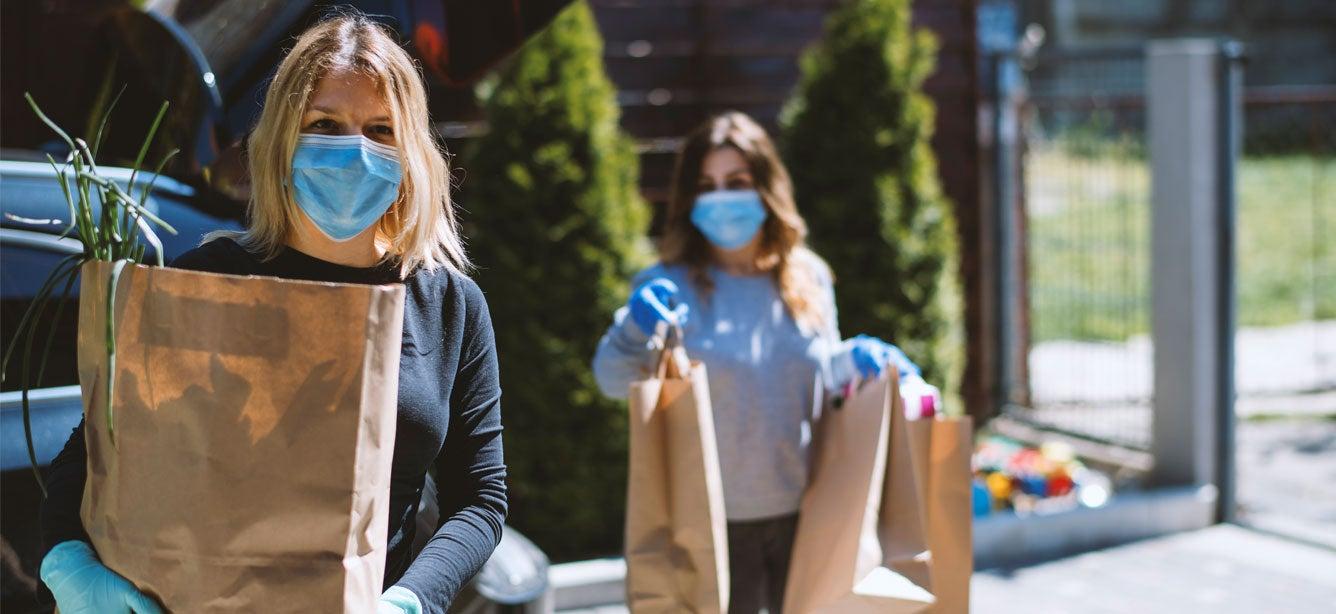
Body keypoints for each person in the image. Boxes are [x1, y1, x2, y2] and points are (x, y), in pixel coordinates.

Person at [38, 14, 505, 614]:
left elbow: (481, 499)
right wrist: (67, 564)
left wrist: (412, 600)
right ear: (284, 138)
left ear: (411, 149)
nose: (355, 150)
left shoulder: (449, 306)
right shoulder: (206, 283)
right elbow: (96, 449)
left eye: (380, 129)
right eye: (326, 125)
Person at [592, 111, 916, 614]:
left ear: (766, 189)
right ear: (690, 198)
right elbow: (613, 381)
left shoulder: (808, 277)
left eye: (737, 182)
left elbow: (820, 377)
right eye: (708, 185)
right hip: (709, 526)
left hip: (810, 516)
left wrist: (857, 359)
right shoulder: (666, 285)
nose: (722, 198)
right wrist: (632, 328)